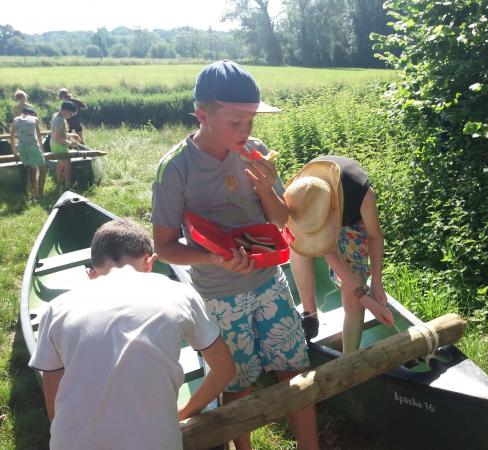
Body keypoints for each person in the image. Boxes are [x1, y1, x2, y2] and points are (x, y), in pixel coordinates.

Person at [151, 60, 319, 450]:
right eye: (235, 123)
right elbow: (164, 247)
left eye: (251, 123)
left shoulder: (255, 153)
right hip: (219, 293)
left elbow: (281, 221)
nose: (246, 133)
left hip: (269, 282)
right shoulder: (175, 169)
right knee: (236, 382)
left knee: (295, 370)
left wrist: (267, 189)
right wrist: (215, 259)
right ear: (202, 115)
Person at [28, 219, 235, 450]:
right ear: (150, 263)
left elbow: (54, 398)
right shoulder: (181, 294)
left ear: (91, 274)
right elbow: (225, 369)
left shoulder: (56, 308)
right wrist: (184, 413)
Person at [285, 156, 394, 353]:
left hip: (350, 217)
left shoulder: (362, 195)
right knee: (298, 248)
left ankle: (348, 358)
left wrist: (376, 281)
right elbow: (329, 253)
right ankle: (310, 316)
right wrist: (366, 298)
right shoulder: (300, 195)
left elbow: (375, 235)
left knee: (353, 299)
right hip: (314, 208)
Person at [9, 106, 47, 199]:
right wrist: (42, 150)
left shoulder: (15, 120)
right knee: (43, 169)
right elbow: (38, 136)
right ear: (32, 114)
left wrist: (14, 152)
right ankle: (40, 193)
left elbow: (11, 137)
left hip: (21, 148)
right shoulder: (35, 119)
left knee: (32, 169)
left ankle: (34, 193)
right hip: (32, 146)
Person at [50, 100, 79, 187]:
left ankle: (59, 184)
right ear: (66, 110)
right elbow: (58, 138)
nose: (71, 116)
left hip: (54, 144)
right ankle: (68, 185)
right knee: (67, 166)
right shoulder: (60, 121)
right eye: (71, 114)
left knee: (60, 164)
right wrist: (71, 143)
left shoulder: (55, 115)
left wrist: (71, 134)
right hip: (59, 145)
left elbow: (58, 133)